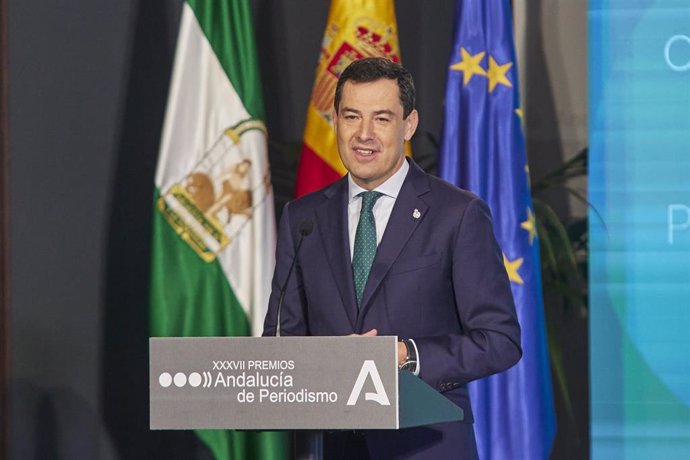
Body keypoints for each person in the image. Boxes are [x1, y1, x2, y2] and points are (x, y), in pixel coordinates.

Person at [263, 57, 521, 460]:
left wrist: (404, 355)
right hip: (328, 446)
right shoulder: (303, 218)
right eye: (352, 116)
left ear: (409, 125)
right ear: (335, 121)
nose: (363, 134)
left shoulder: (457, 214)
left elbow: (499, 341)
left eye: (381, 119)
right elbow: (282, 339)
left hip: (425, 446)